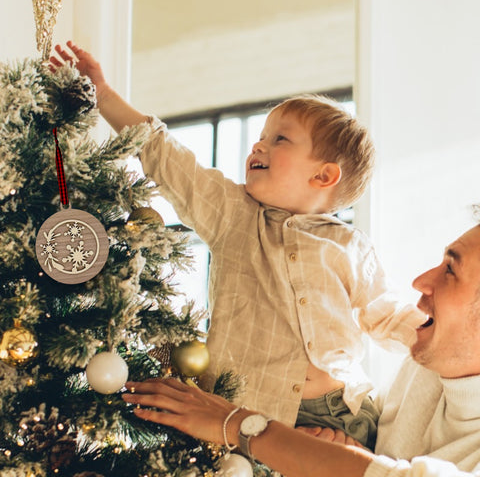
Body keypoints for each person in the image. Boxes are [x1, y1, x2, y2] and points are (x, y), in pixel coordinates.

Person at [50, 42, 426, 450]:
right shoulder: (234, 215)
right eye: (261, 136)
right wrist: (103, 93)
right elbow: (168, 157)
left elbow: (387, 316)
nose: (257, 146)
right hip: (245, 409)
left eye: (279, 139)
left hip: (338, 412)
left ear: (323, 176)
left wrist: (444, 338)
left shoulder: (349, 245)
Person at [122, 222, 480, 476]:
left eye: (450, 270)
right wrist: (350, 451)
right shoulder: (427, 365)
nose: (421, 282)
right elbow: (381, 460)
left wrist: (235, 423)